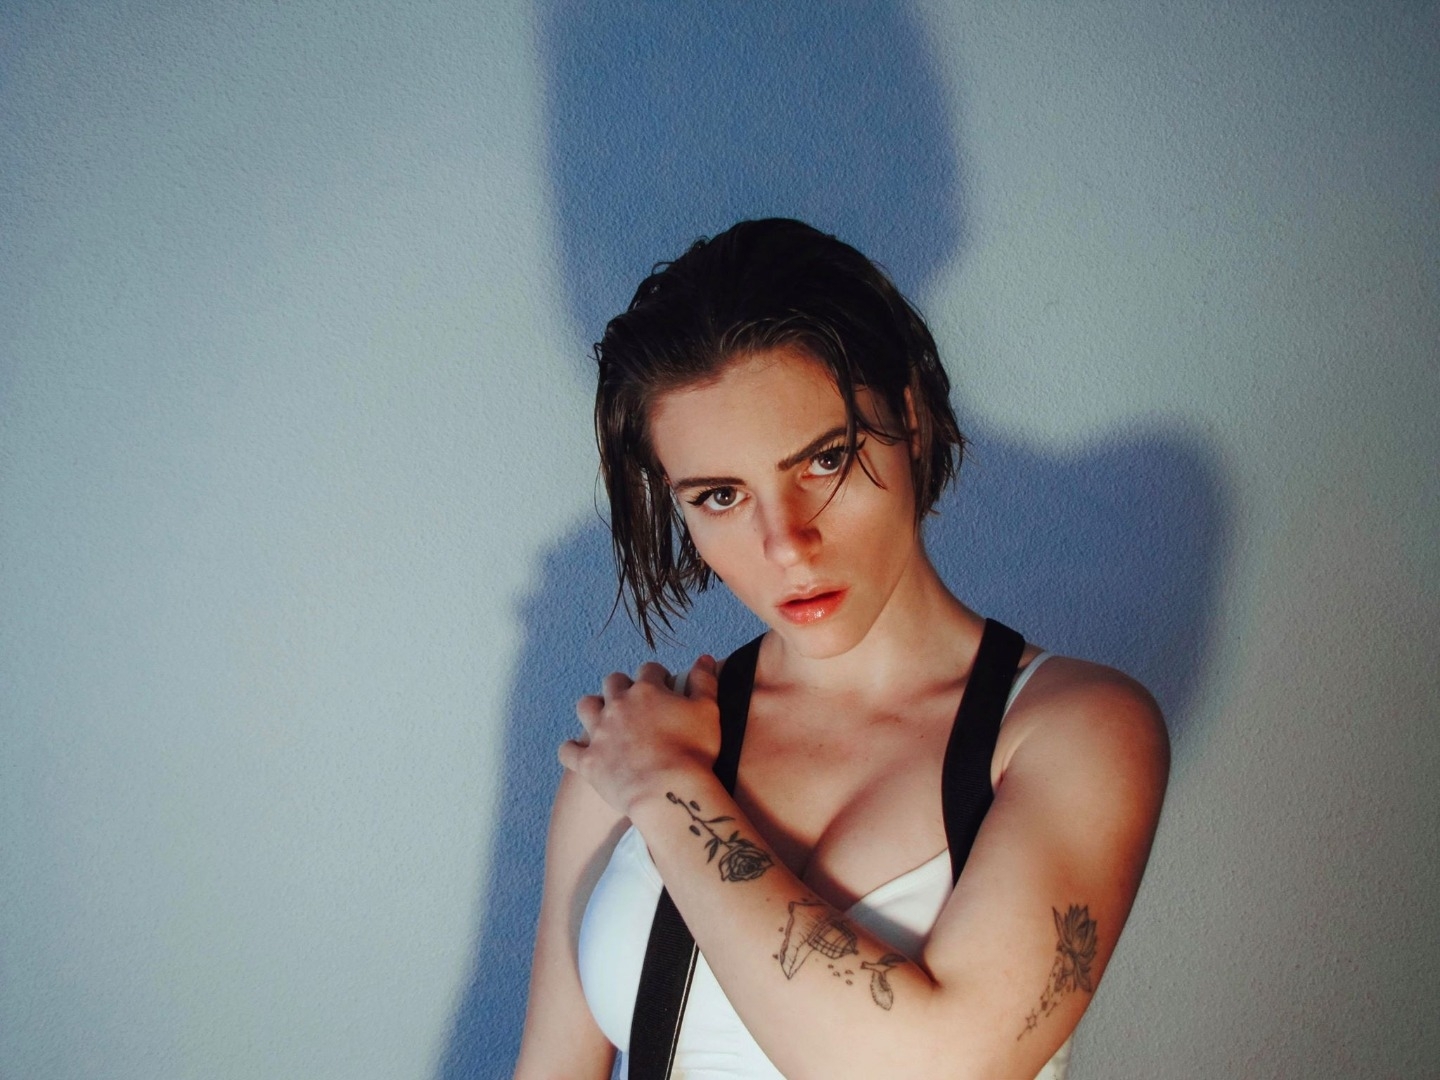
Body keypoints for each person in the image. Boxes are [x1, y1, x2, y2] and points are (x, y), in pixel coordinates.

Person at [514, 218, 1169, 1080]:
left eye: (824, 461)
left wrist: (671, 791)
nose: (787, 543)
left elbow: (939, 1068)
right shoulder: (626, 753)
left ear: (911, 421)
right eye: (719, 496)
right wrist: (648, 774)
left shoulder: (1074, 729)